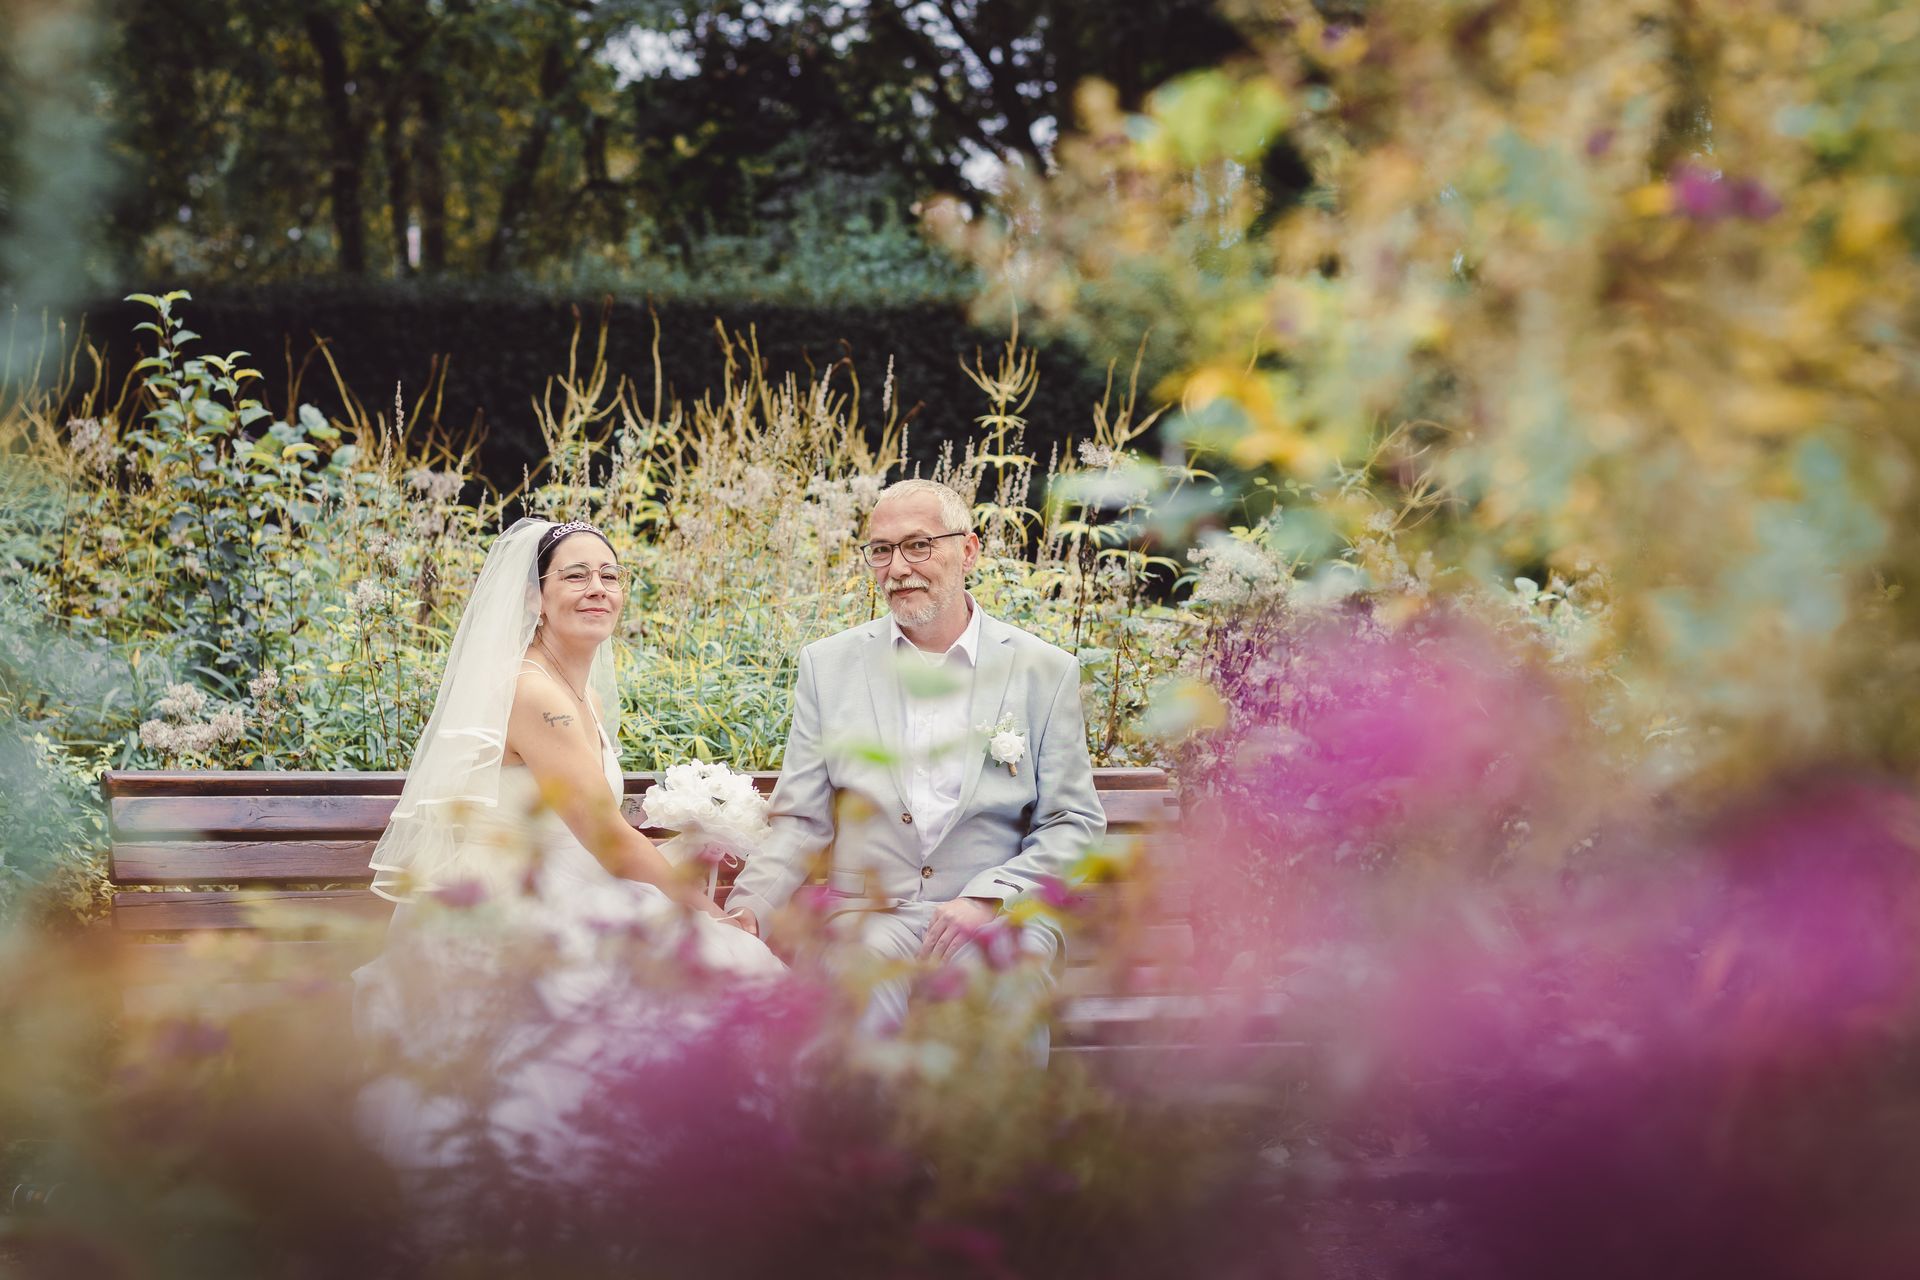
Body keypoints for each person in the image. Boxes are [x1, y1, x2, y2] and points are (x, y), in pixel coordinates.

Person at [352, 518, 784, 1188]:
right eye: (575, 576)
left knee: (703, 971)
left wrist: (692, 848)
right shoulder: (533, 693)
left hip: (562, 886)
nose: (597, 588)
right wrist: (705, 909)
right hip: (505, 905)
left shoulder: (578, 692)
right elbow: (608, 841)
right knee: (721, 963)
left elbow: (587, 830)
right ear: (535, 596)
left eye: (609, 575)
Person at [722, 480, 1106, 1063]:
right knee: (855, 985)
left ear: (968, 551)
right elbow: (801, 820)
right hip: (866, 915)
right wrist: (750, 910)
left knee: (1012, 977)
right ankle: (864, 1124)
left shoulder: (1044, 670)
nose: (898, 568)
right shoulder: (828, 666)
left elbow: (1073, 822)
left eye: (918, 545)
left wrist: (990, 898)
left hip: (995, 915)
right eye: (881, 550)